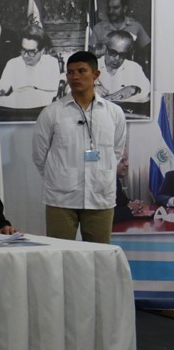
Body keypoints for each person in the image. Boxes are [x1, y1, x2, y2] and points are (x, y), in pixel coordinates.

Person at [32, 51, 127, 243]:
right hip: (61, 198)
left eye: (81, 71)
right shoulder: (52, 113)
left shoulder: (114, 113)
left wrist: (100, 174)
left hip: (100, 195)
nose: (75, 77)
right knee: (59, 256)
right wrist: (59, 176)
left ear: (96, 74)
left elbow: (116, 151)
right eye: (70, 72)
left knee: (99, 256)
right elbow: (39, 155)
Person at [0, 26, 63, 120]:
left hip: (42, 114)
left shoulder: (51, 63)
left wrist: (29, 88)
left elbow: (53, 92)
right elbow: (1, 87)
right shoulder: (13, 63)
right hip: (16, 114)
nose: (25, 55)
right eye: (23, 50)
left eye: (31, 51)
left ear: (42, 50)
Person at [91, 0, 150, 70]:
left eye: (115, 8)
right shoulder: (98, 29)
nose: (111, 11)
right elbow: (91, 55)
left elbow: (147, 50)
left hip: (130, 72)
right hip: (106, 73)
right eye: (109, 8)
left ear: (124, 8)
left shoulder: (135, 26)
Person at [97, 31, 150, 114]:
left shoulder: (133, 67)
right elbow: (71, 89)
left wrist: (134, 89)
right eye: (113, 52)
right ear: (104, 48)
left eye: (122, 54)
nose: (117, 58)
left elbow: (147, 91)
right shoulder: (90, 66)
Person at [114, 150, 146, 223]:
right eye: (122, 161)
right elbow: (107, 214)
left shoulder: (115, 180)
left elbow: (123, 201)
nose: (127, 164)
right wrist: (130, 209)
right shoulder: (105, 183)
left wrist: (135, 204)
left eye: (126, 160)